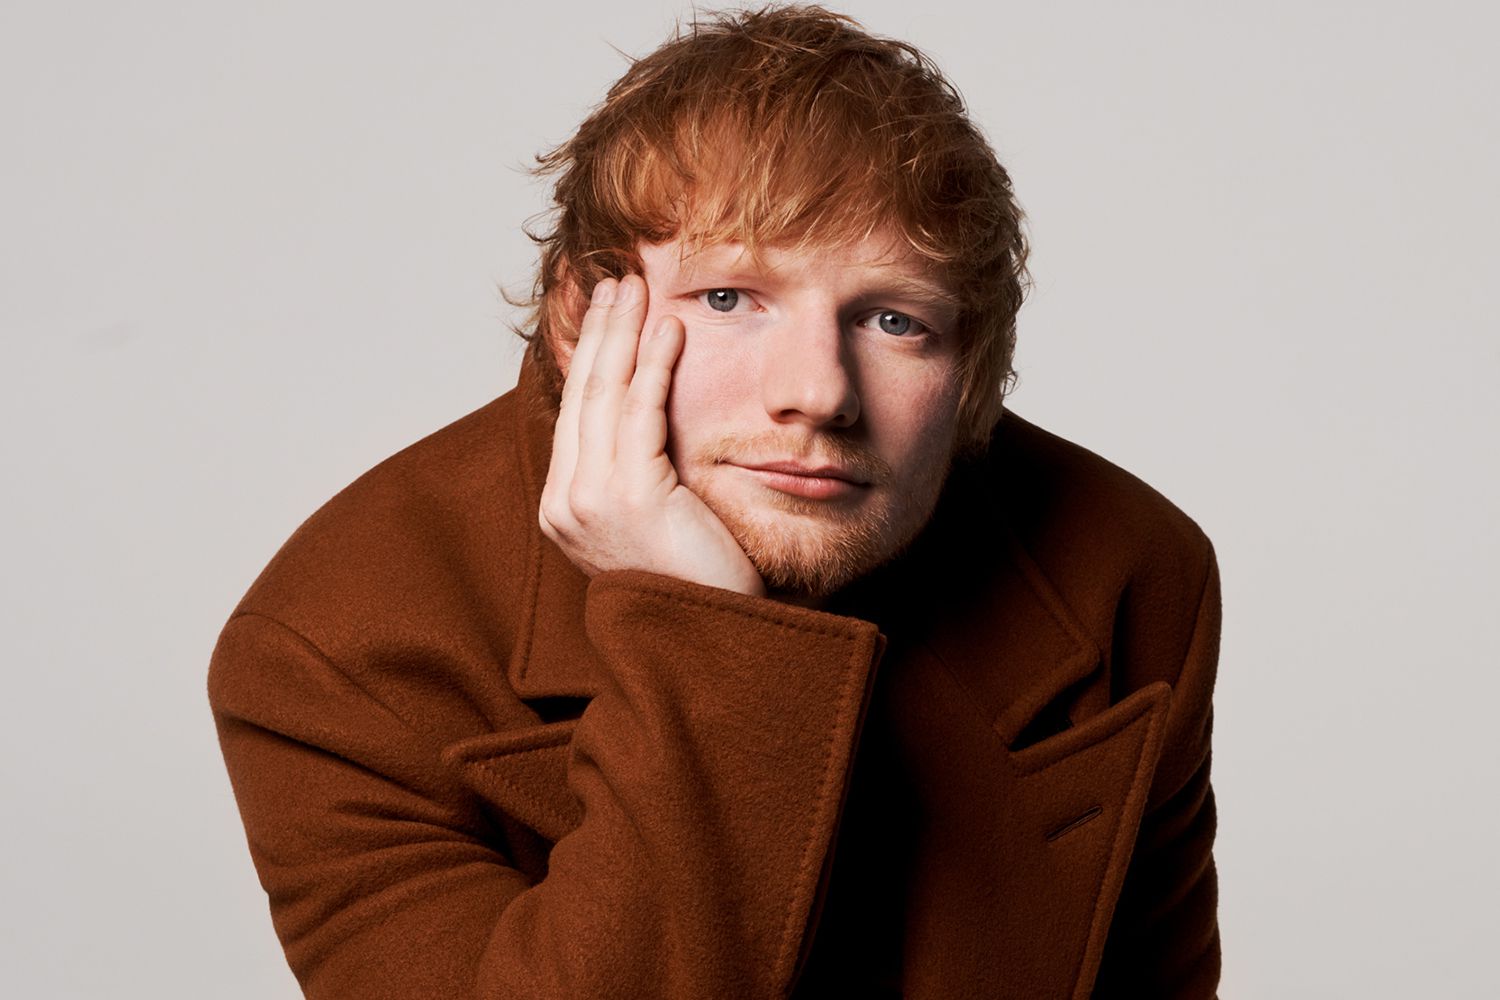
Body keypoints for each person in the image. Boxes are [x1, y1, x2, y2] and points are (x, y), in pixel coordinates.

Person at [207, 5, 1223, 998]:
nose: (818, 392)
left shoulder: (1127, 569)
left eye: (893, 319)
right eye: (729, 298)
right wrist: (702, 631)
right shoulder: (332, 653)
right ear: (579, 318)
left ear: (968, 371)